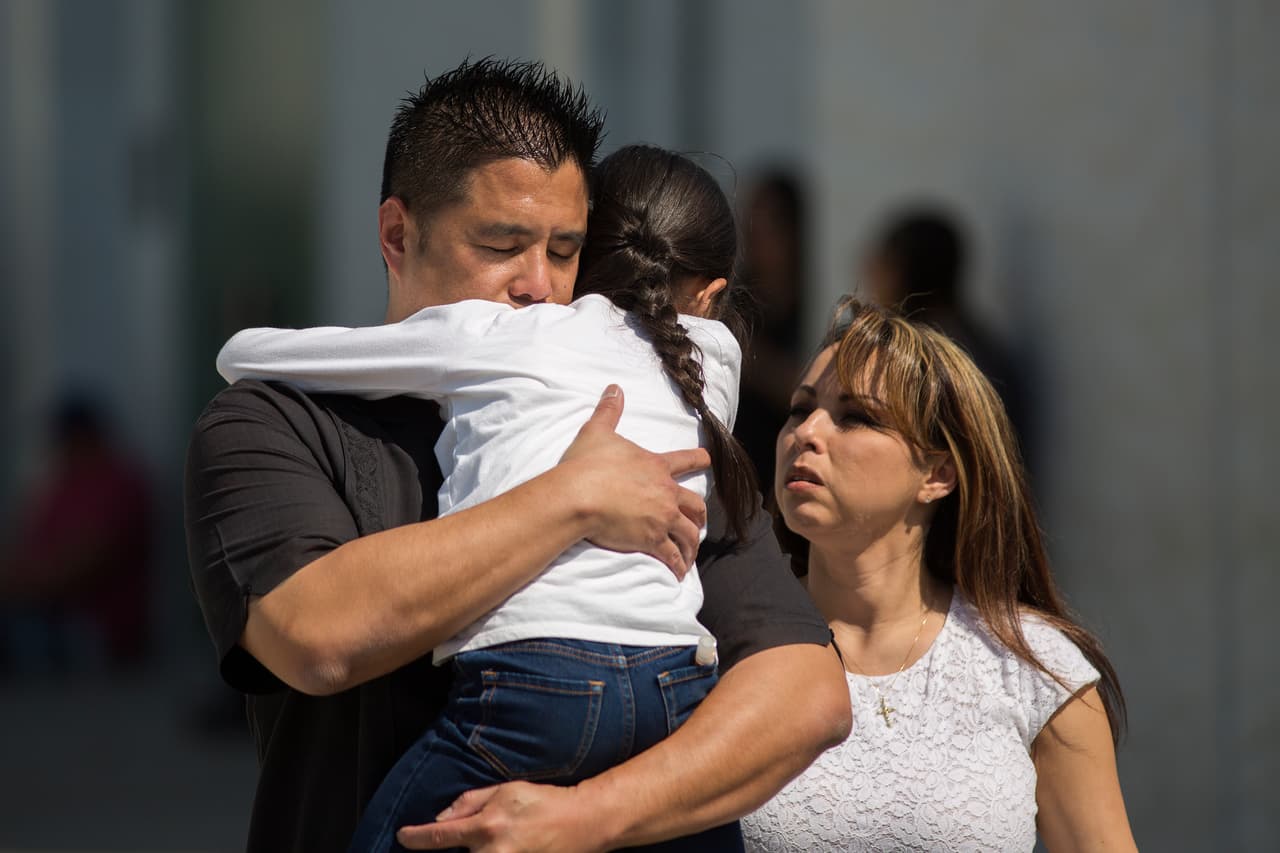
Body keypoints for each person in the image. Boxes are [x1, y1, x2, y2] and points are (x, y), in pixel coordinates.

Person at [184, 58, 849, 853]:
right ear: (398, 234)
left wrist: (583, 819)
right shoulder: (273, 421)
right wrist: (569, 498)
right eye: (501, 243)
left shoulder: (648, 416)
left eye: (566, 251)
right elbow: (316, 635)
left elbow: (806, 694)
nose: (537, 284)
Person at [740, 298, 1136, 851]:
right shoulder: (725, 646)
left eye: (856, 417)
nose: (808, 433)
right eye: (799, 410)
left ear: (938, 472)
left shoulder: (1033, 670)